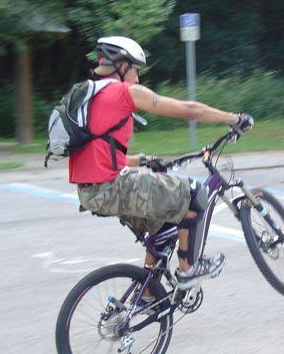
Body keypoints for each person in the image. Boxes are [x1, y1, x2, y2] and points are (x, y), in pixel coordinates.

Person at [70, 36, 253, 291]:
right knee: (194, 193)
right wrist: (233, 118)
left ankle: (146, 294)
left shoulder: (87, 95)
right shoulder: (124, 92)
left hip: (90, 192)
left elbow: (98, 153)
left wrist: (142, 160)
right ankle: (189, 270)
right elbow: (188, 110)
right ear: (122, 66)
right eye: (136, 70)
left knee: (166, 225)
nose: (137, 79)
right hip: (111, 188)